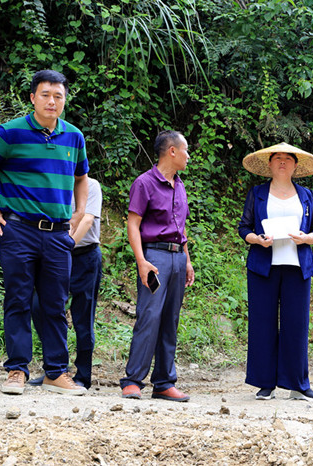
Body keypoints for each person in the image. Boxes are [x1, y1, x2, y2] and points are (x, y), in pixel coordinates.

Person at [0, 69, 89, 396]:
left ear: (64, 100)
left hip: (58, 234)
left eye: (58, 96)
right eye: (45, 94)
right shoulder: (11, 132)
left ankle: (55, 373)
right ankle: (17, 370)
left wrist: (80, 211)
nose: (52, 101)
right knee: (18, 299)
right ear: (32, 98)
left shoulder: (74, 137)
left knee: (55, 303)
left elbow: (81, 177)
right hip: (18, 230)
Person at [238, 142, 313, 402]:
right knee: (262, 324)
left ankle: (298, 384)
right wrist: (256, 239)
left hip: (298, 267)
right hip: (263, 266)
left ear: (296, 165)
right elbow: (244, 228)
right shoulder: (257, 193)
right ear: (270, 164)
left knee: (296, 325)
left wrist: (307, 238)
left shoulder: (306, 195)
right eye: (278, 158)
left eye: (288, 158)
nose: (283, 162)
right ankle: (265, 383)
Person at [119, 130, 195, 401]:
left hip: (177, 256)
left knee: (170, 319)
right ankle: (133, 380)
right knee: (149, 316)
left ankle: (163, 382)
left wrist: (187, 260)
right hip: (155, 257)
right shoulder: (145, 183)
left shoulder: (180, 184)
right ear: (171, 151)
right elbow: (133, 224)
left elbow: (181, 227)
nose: (188, 156)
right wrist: (142, 261)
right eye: (185, 150)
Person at [29, 177, 103, 389]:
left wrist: (64, 247)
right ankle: (56, 369)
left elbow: (87, 220)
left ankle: (83, 375)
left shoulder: (92, 186)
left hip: (84, 256)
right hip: (55, 255)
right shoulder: (53, 184)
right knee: (39, 306)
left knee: (83, 317)